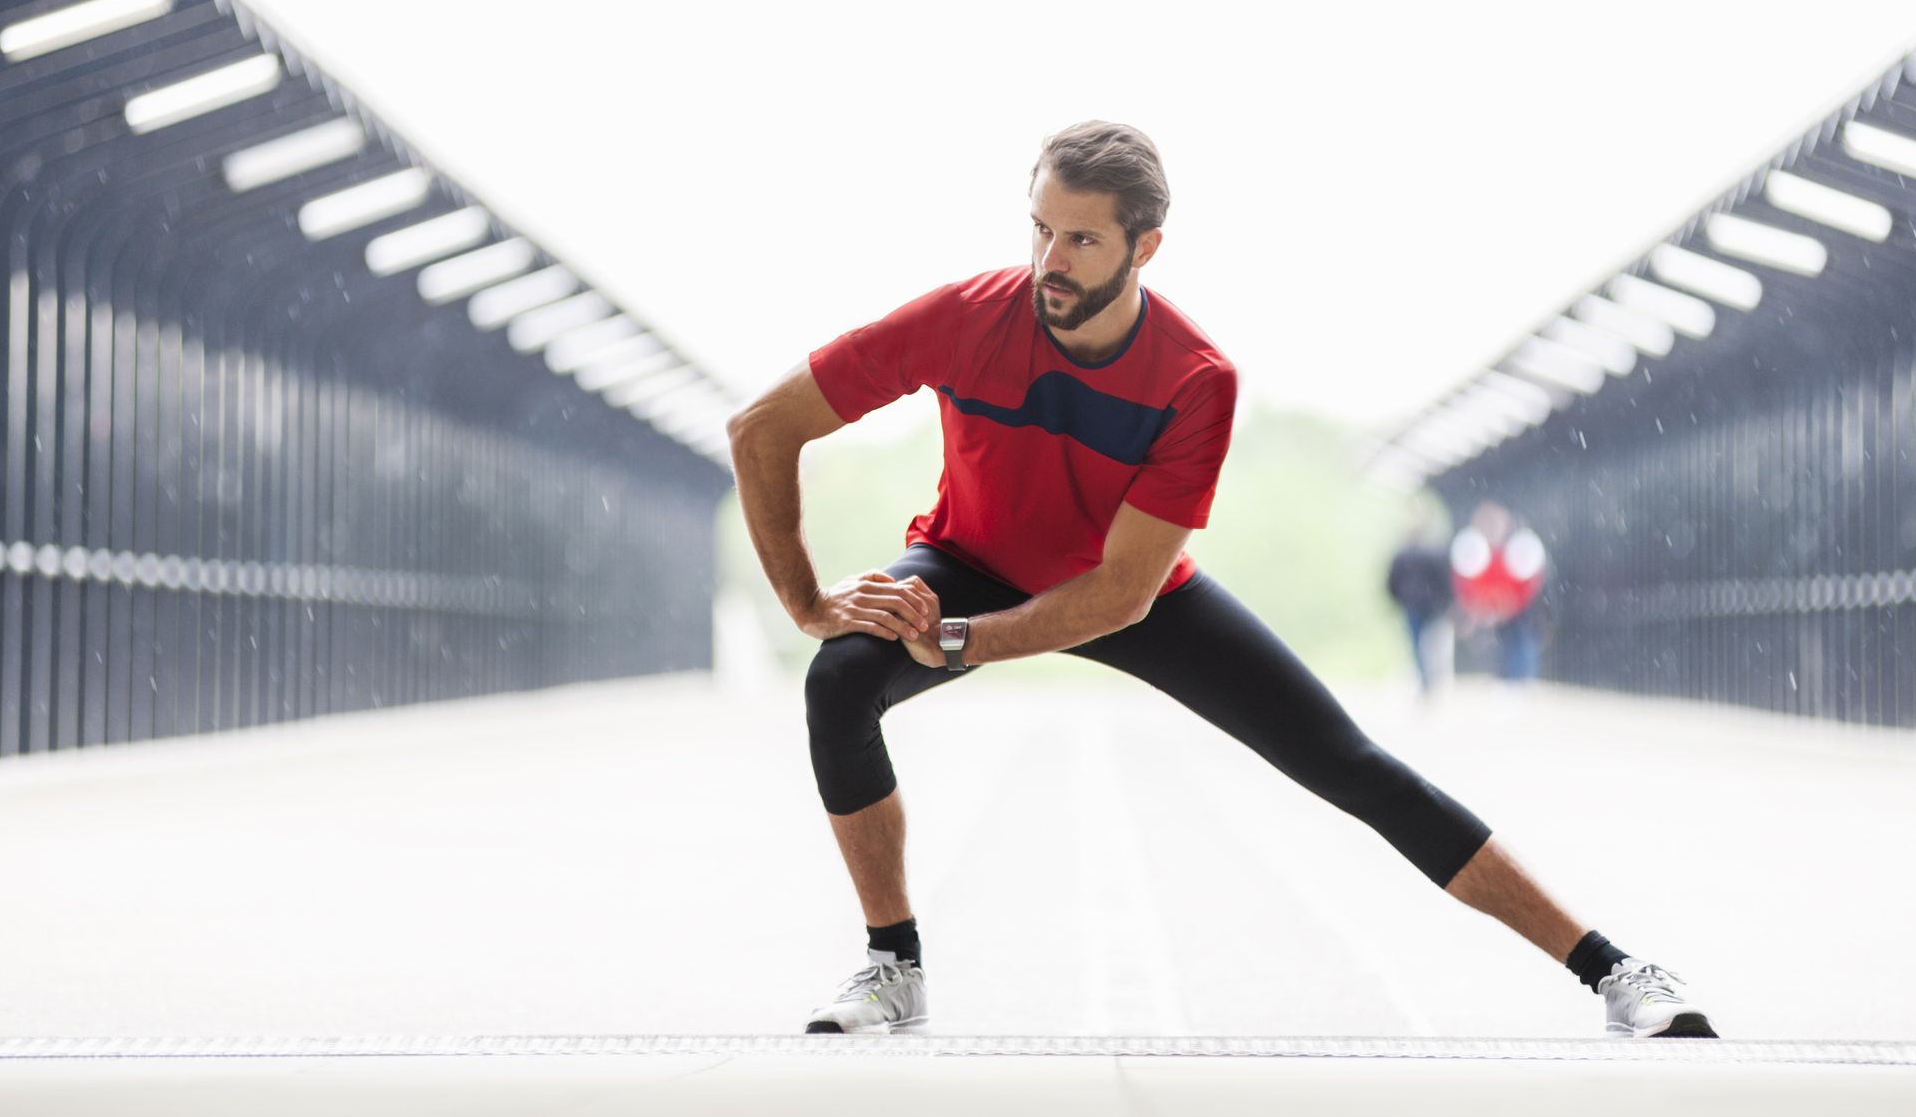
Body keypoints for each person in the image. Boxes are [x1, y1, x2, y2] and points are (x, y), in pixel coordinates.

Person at [725, 121, 1714, 1040]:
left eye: (1080, 241)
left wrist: (953, 641)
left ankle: (1615, 971)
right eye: (1038, 230)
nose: (1047, 263)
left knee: (1350, 764)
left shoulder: (1194, 376)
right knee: (839, 677)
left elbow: (1117, 596)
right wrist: (809, 603)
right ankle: (892, 966)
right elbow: (760, 427)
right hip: (971, 561)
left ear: (1143, 248)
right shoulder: (963, 318)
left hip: (1132, 585)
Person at [1451, 502, 1547, 683]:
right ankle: (1511, 678)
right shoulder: (1480, 552)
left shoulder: (1516, 549)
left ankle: (1521, 679)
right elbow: (1470, 582)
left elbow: (1529, 582)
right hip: (1497, 607)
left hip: (1517, 608)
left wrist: (1511, 603)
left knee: (1520, 641)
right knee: (1506, 643)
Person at [1386, 527, 1454, 695]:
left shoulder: (1401, 557)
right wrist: (1445, 602)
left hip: (1412, 604)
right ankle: (1429, 676)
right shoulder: (1432, 555)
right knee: (1431, 643)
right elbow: (1443, 580)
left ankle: (1424, 676)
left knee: (1416, 642)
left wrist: (1396, 599)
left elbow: (1392, 581)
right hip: (1430, 605)